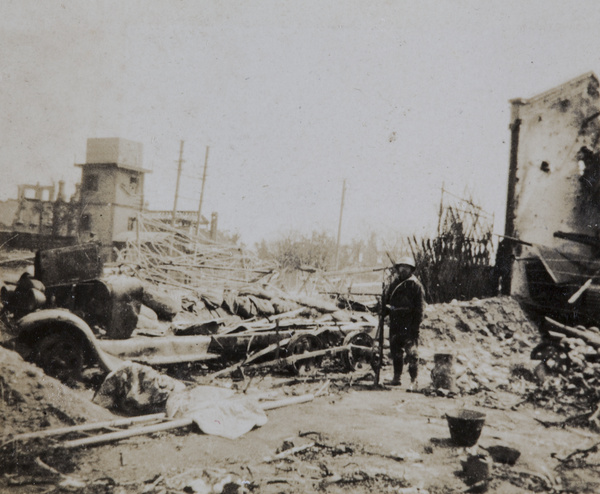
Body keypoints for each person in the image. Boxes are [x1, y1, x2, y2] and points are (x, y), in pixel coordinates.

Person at [382, 256, 426, 389]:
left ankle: (414, 381)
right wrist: (384, 311)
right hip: (396, 323)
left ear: (411, 269)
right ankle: (396, 378)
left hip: (409, 324)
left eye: (406, 267)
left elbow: (420, 309)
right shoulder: (394, 283)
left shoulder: (415, 285)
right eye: (401, 266)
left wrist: (416, 327)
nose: (403, 269)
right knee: (396, 352)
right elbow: (387, 301)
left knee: (412, 353)